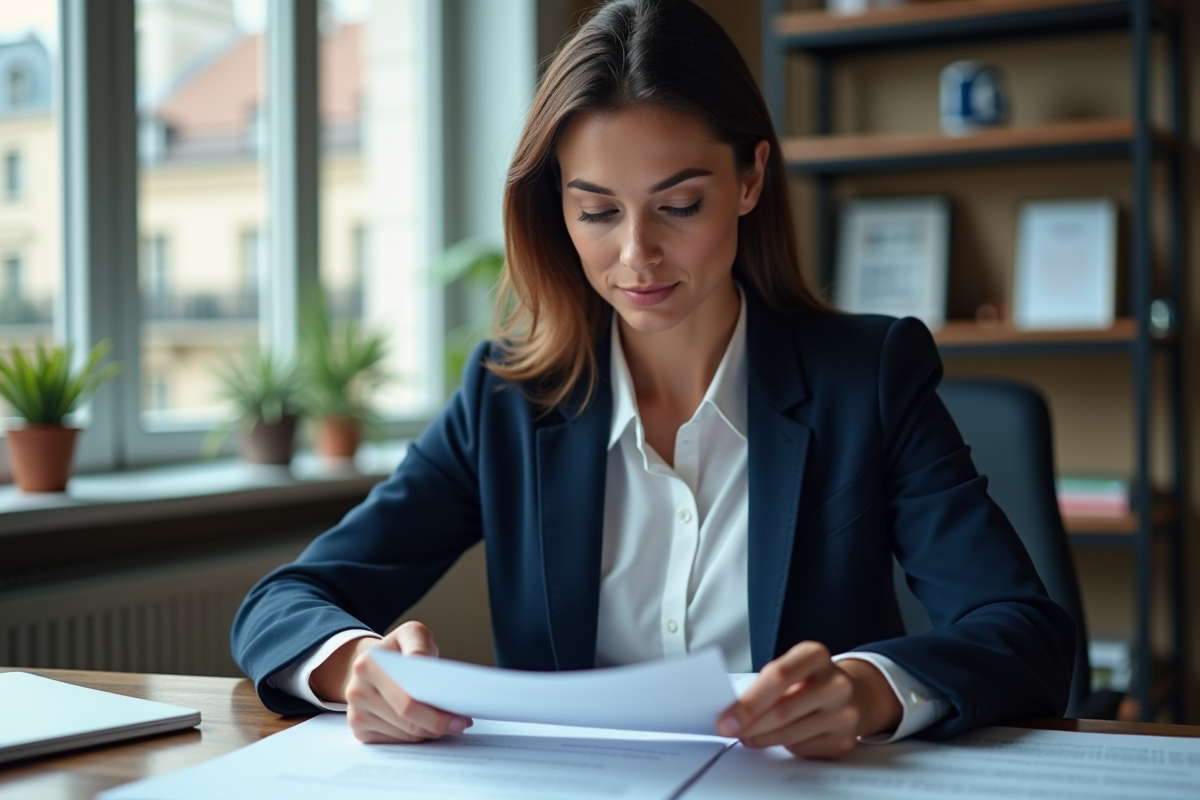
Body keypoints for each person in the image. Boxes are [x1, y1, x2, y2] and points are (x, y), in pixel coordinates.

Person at [232, 0, 1074, 759]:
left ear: (749, 180)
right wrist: (352, 669)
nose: (636, 255)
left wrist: (864, 690)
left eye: (678, 205)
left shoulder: (870, 379)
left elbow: (1023, 631)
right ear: (556, 210)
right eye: (596, 211)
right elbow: (286, 600)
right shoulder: (506, 399)